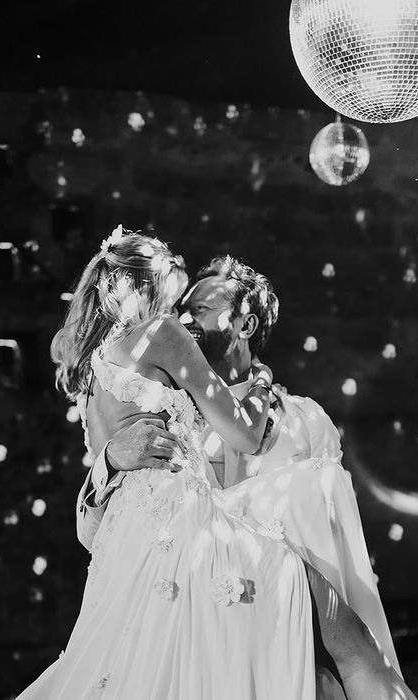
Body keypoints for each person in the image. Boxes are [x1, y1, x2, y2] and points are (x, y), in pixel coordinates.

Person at [76, 251, 414, 699]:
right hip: (188, 619)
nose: (182, 318)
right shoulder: (159, 407)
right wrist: (109, 461)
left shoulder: (304, 420)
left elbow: (338, 551)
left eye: (199, 308)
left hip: (289, 644)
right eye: (180, 308)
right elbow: (93, 533)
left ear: (245, 325)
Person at [18, 227, 320, 699]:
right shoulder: (161, 334)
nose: (180, 315)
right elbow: (243, 432)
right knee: (290, 577)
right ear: (148, 289)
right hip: (177, 527)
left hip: (120, 541)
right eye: (174, 298)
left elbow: (99, 488)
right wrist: (262, 382)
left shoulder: (89, 367)